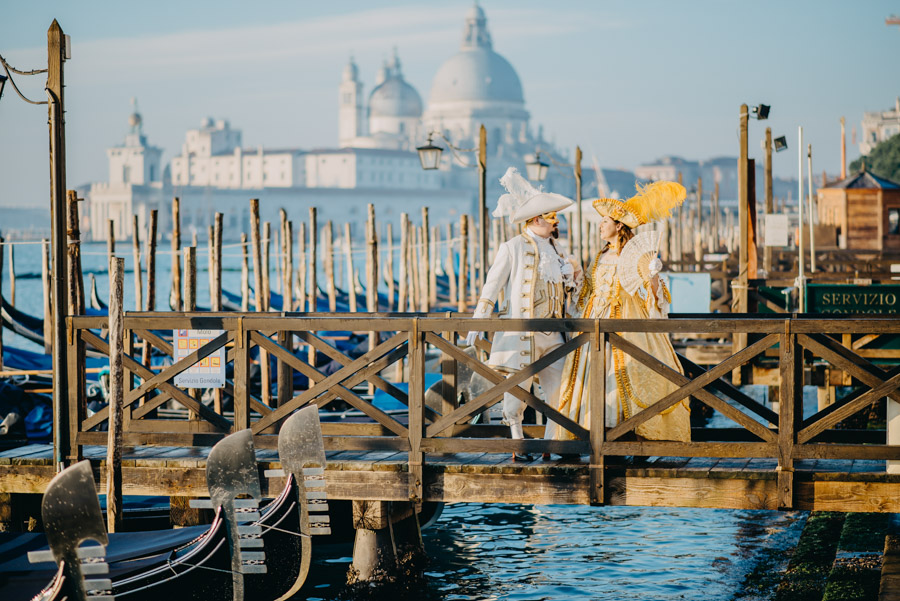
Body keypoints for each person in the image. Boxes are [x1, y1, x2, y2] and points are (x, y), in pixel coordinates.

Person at [546, 181, 691, 443]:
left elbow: (654, 295)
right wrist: (575, 277)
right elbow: (586, 290)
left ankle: (627, 432)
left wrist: (653, 274)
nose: (601, 226)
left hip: (626, 321)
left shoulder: (635, 255)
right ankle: (594, 431)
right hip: (594, 322)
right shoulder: (599, 256)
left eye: (605, 222)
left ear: (619, 225)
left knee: (630, 372)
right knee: (594, 373)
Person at [466, 167, 581, 460]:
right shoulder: (512, 247)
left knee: (559, 391)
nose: (556, 222)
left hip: (555, 332)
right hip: (522, 334)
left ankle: (551, 443)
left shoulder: (558, 250)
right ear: (537, 219)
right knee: (517, 390)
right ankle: (518, 442)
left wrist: (574, 277)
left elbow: (567, 291)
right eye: (552, 217)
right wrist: (478, 320)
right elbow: (492, 285)